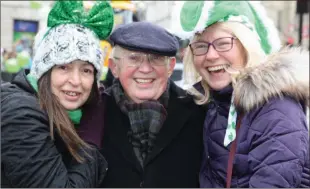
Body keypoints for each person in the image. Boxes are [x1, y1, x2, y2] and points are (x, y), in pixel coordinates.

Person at [175, 1, 310, 188]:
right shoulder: (213, 102)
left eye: (223, 43)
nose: (211, 55)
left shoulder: (276, 109)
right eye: (200, 46)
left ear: (247, 46)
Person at [1, 1, 114, 187]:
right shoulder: (20, 114)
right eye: (64, 67)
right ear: (44, 71)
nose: (76, 81)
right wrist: (90, 140)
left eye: (86, 70)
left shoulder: (68, 112)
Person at [80, 21, 206, 187]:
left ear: (171, 67)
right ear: (114, 67)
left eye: (156, 59)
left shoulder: (199, 112)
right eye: (134, 58)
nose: (145, 69)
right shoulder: (93, 112)